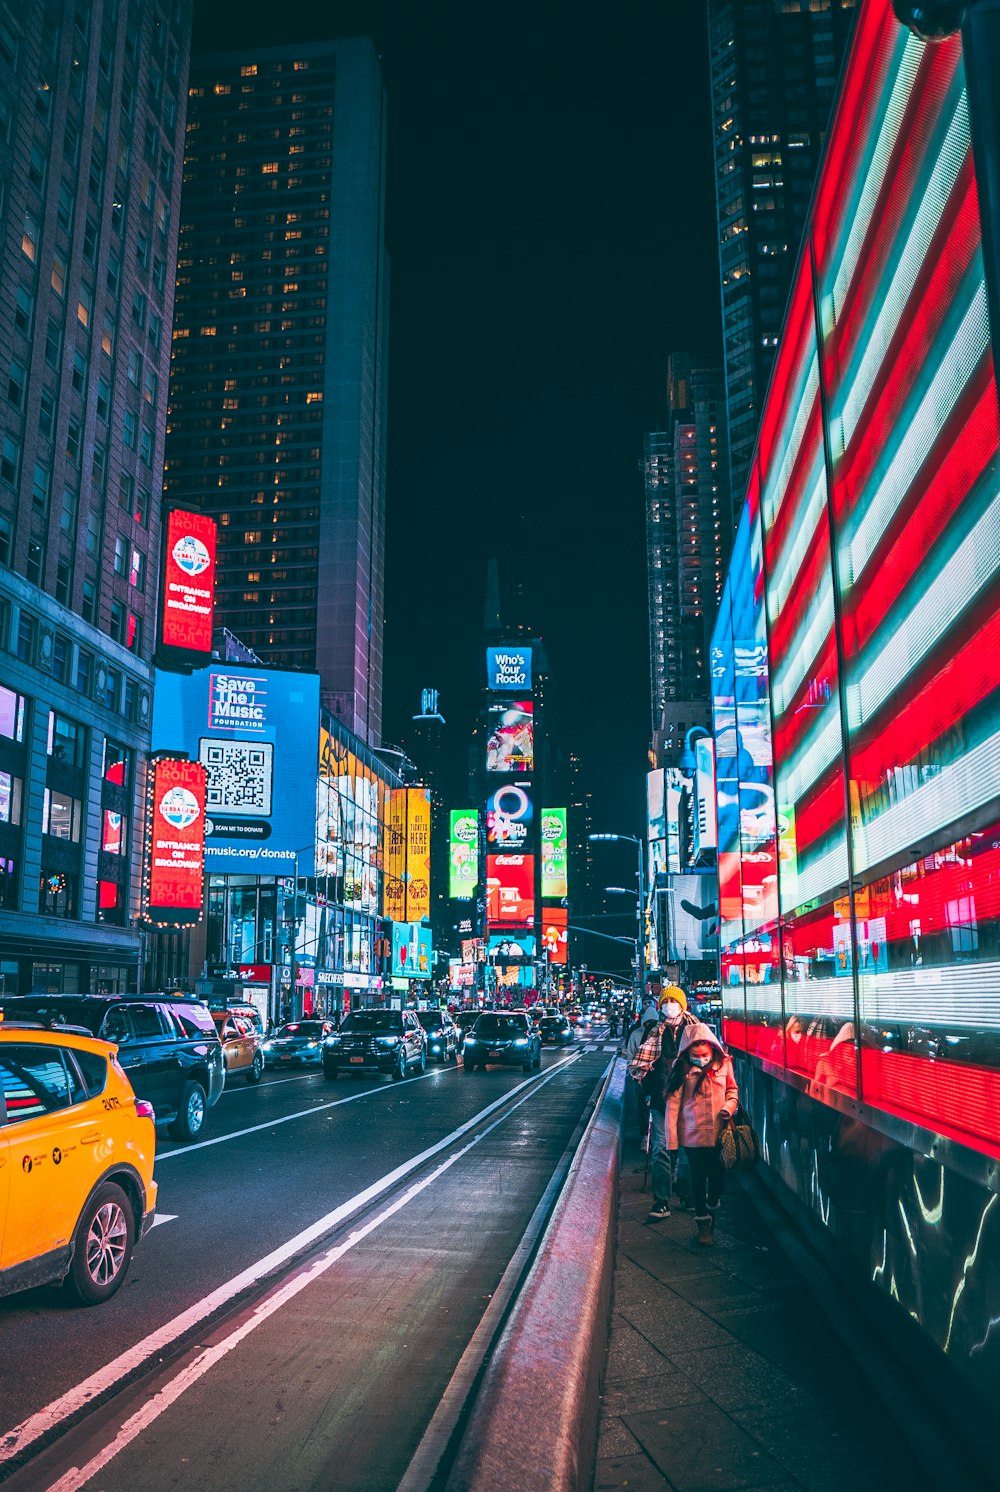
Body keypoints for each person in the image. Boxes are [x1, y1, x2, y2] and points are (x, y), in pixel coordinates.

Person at [628, 988, 699, 1221]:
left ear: (683, 1004)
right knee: (660, 1150)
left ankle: (687, 1194)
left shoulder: (695, 1030)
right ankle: (661, 1201)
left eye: (673, 1001)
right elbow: (644, 1066)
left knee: (688, 1152)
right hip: (661, 1100)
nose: (669, 1005)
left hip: (689, 1100)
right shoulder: (653, 1032)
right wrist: (647, 1090)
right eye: (665, 1001)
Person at [665, 1022, 738, 1247]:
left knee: (718, 1176)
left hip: (719, 1133)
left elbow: (732, 1091)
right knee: (698, 1177)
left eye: (704, 1055)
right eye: (695, 1055)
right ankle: (703, 1224)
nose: (701, 1059)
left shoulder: (724, 1064)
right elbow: (673, 1106)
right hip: (691, 1135)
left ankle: (713, 1203)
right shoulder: (682, 1069)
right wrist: (672, 1142)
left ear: (712, 1049)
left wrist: (728, 1106)